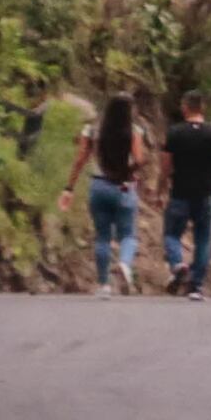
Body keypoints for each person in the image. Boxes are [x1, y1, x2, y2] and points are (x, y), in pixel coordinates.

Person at [159, 94, 211, 296]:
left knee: (171, 234)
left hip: (180, 193)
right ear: (202, 108)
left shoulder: (174, 133)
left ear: (185, 108)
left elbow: (165, 167)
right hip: (208, 194)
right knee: (203, 239)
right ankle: (196, 286)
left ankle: (178, 264)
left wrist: (160, 190)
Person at [79, 90, 144, 295]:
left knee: (102, 237)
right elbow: (138, 160)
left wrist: (69, 187)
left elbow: (80, 158)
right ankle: (124, 263)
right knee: (128, 235)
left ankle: (104, 285)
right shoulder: (134, 131)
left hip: (98, 186)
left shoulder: (92, 130)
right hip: (123, 187)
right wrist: (130, 173)